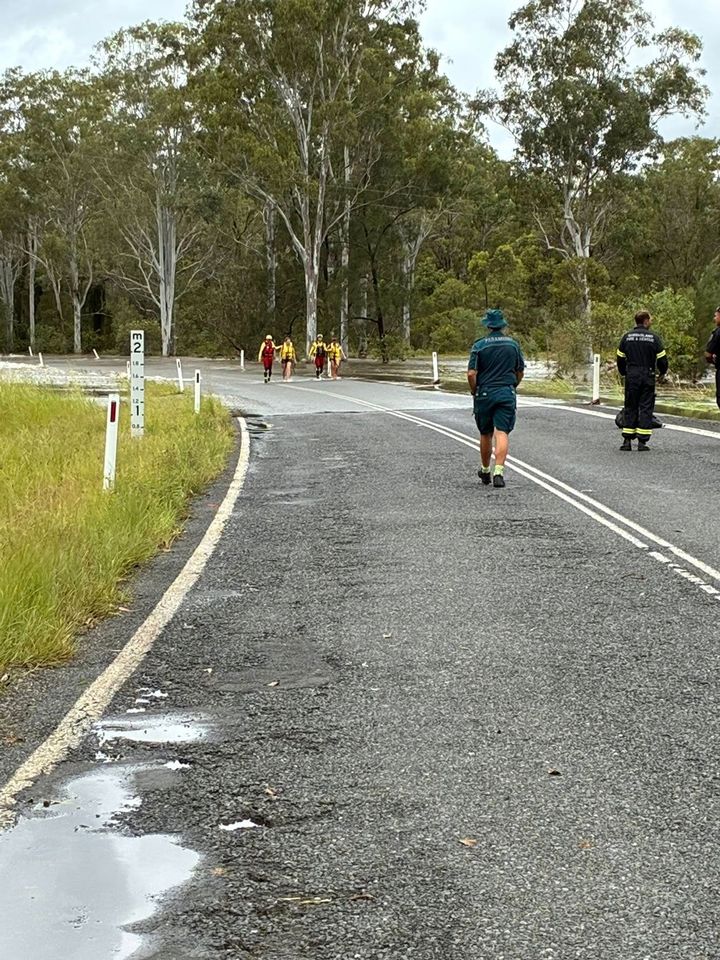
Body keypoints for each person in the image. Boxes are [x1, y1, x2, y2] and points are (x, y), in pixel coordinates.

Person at [467, 309, 525, 489]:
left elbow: (471, 373)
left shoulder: (479, 346)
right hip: (506, 392)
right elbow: (520, 370)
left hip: (485, 393)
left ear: (488, 325)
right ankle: (499, 471)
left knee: (485, 433)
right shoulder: (513, 345)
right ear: (503, 325)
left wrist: (474, 390)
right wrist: (513, 385)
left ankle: (485, 470)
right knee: (502, 432)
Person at [616, 311, 668, 451]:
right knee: (645, 407)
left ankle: (627, 440)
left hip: (632, 375)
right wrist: (662, 372)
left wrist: (624, 372)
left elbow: (620, 358)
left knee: (630, 405)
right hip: (647, 375)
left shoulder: (626, 337)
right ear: (645, 321)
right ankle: (642, 442)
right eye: (650, 320)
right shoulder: (654, 338)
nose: (651, 322)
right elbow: (662, 359)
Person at [704, 306, 720, 410]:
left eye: (716, 315)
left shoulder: (718, 332)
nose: (714, 318)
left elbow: (708, 353)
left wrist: (713, 360)